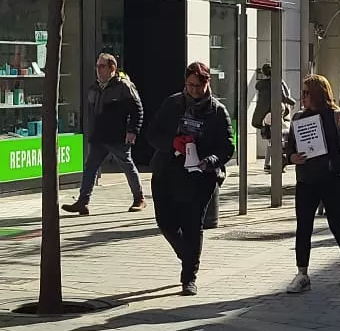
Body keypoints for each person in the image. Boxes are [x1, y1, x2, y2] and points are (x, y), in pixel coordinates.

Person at [147, 61, 233, 295]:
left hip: (199, 178)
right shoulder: (172, 103)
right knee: (166, 223)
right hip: (167, 172)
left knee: (192, 225)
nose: (194, 90)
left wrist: (210, 161)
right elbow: (153, 134)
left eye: (199, 85)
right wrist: (171, 143)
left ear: (208, 83)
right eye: (190, 85)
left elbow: (227, 147)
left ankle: (189, 277)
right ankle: (187, 255)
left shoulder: (217, 111)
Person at [283, 76, 340, 293]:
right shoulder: (298, 118)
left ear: (318, 93)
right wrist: (291, 158)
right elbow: (290, 147)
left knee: (335, 222)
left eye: (307, 93)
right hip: (306, 180)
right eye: (302, 93)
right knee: (304, 226)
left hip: (331, 179)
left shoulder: (335, 116)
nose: (303, 97)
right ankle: (302, 273)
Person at [63, 53, 145, 215]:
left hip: (117, 135)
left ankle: (139, 198)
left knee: (126, 165)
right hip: (99, 135)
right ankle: (83, 201)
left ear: (112, 68)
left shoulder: (123, 87)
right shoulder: (94, 88)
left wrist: (132, 131)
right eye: (97, 66)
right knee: (90, 167)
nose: (98, 70)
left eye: (102, 66)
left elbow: (137, 110)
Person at [250, 60, 293, 172]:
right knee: (282, 137)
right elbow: (284, 97)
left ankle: (267, 164)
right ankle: (279, 162)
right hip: (276, 113)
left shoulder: (261, 86)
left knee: (271, 140)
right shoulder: (278, 82)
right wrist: (293, 102)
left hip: (265, 117)